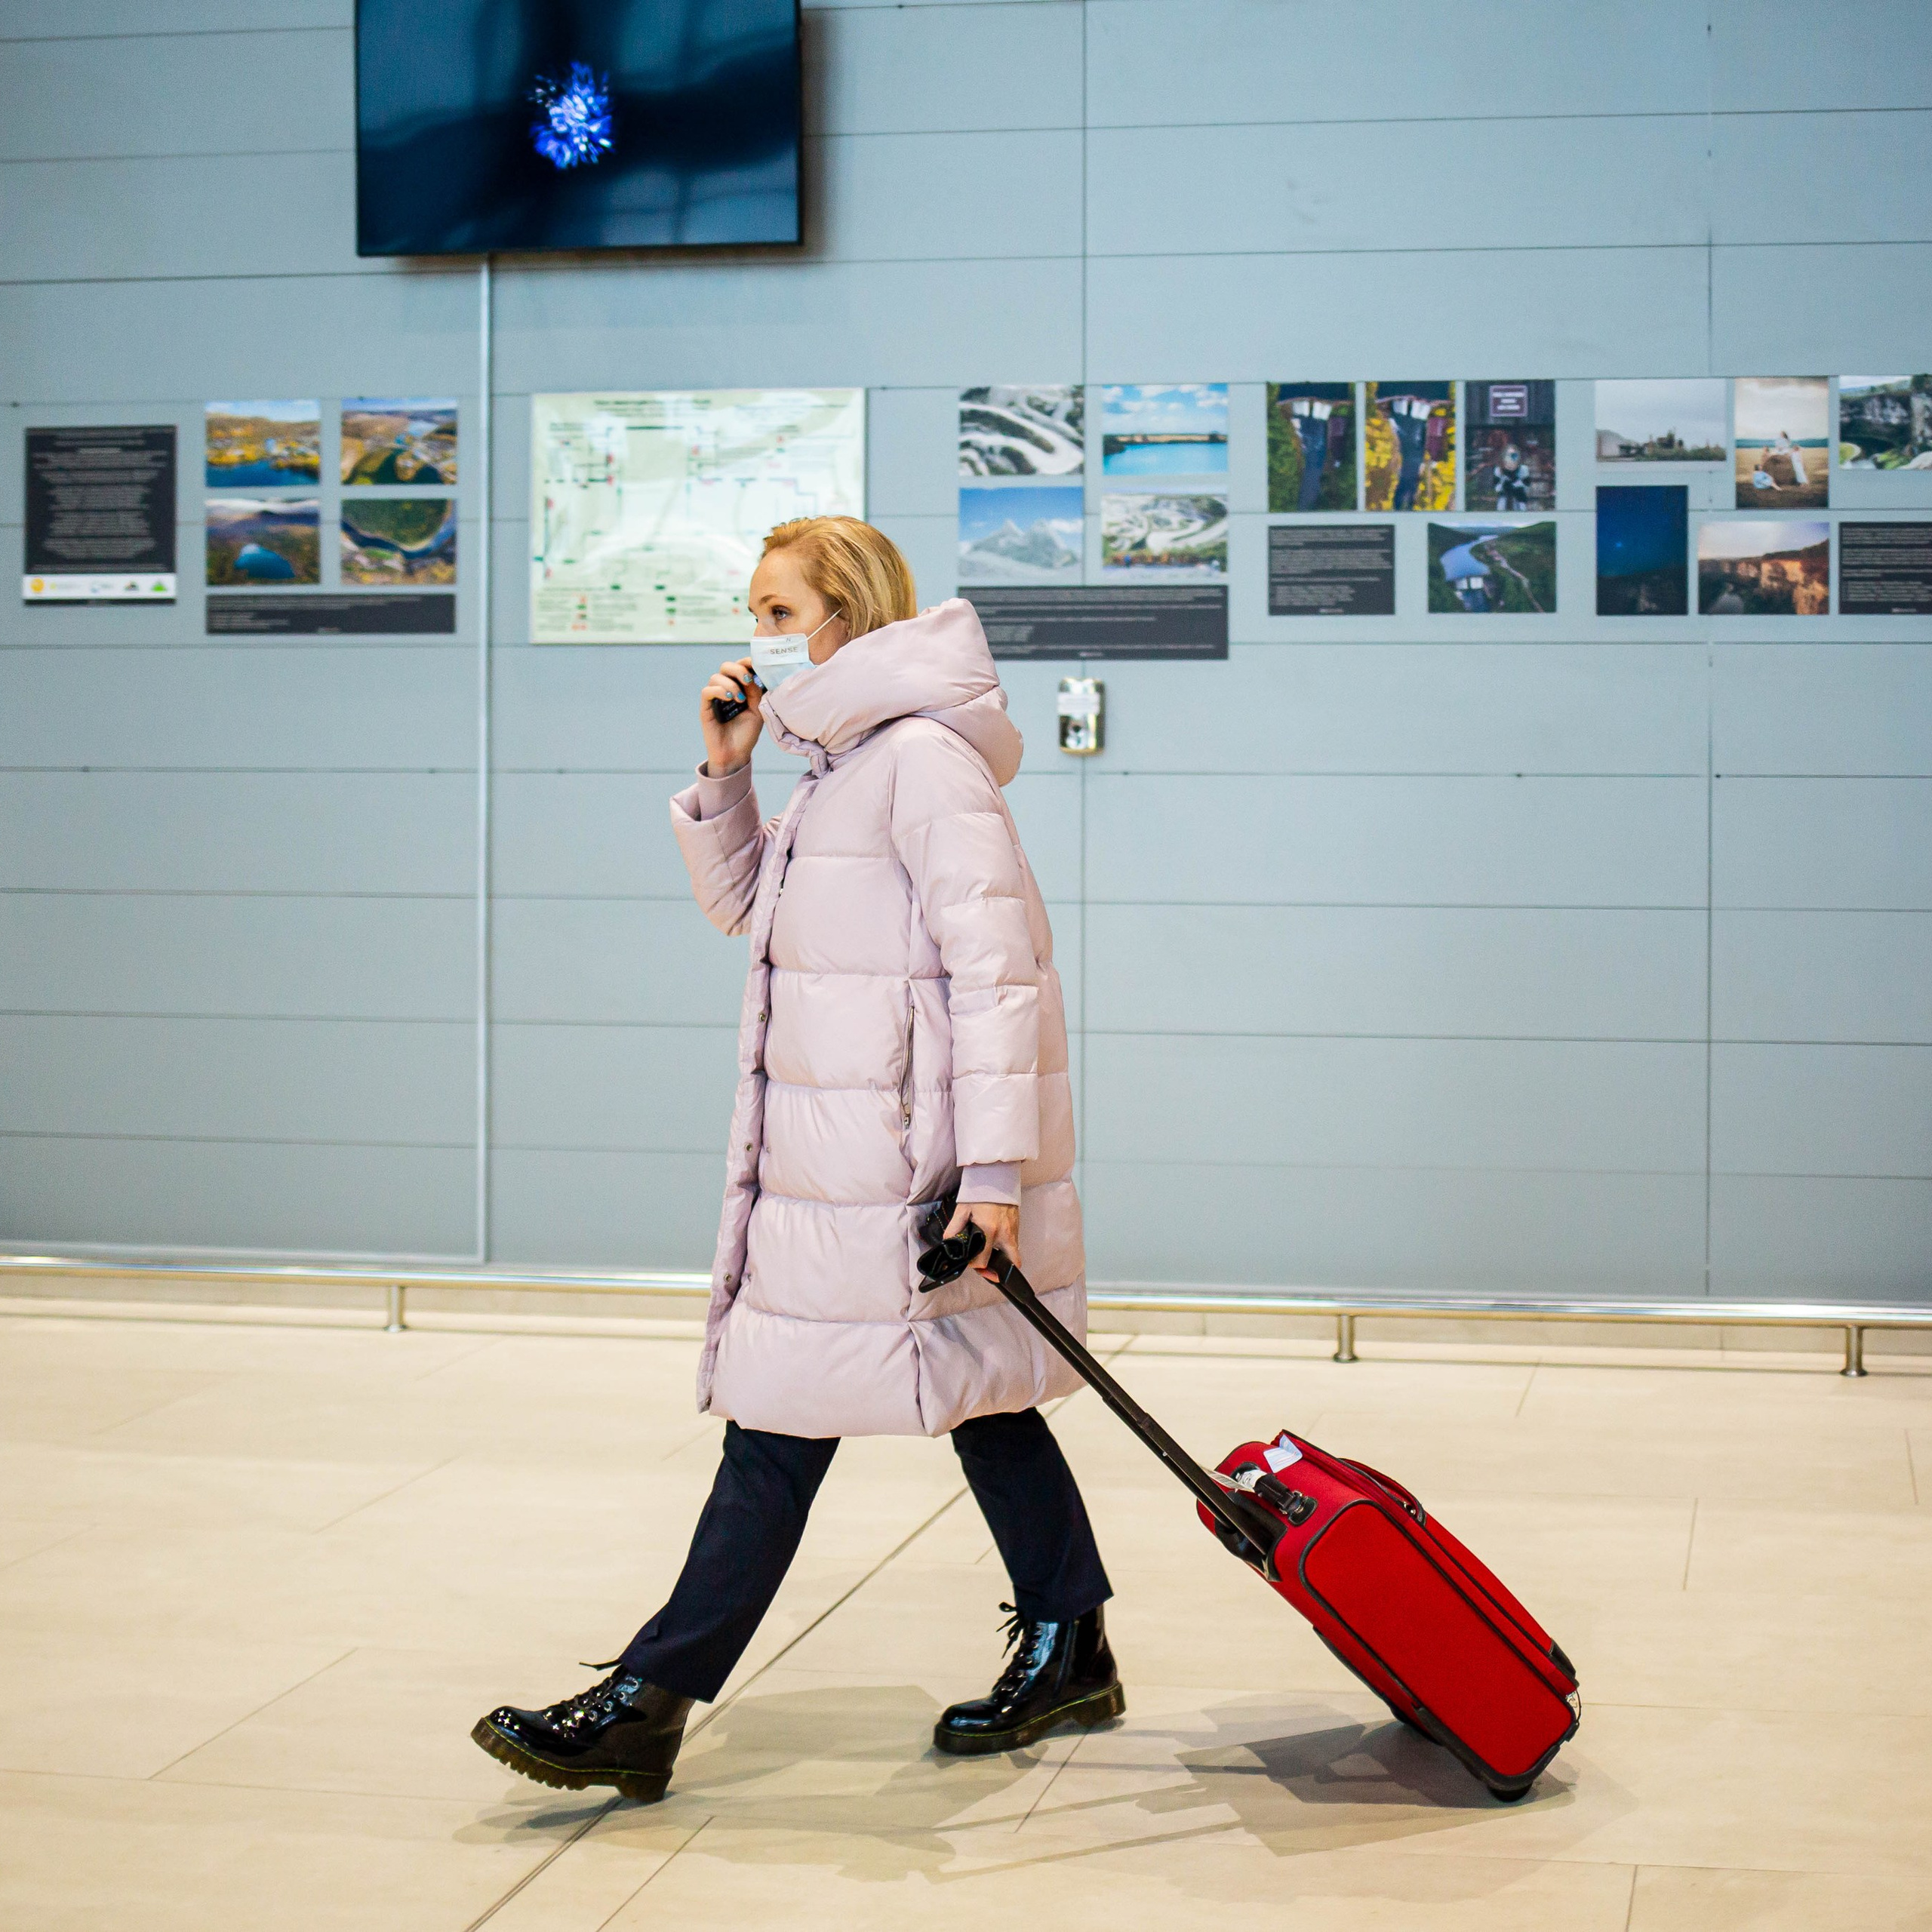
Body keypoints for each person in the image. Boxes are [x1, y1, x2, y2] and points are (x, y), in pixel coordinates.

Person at [472, 518, 1118, 1802]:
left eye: (778, 606)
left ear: (849, 614)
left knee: (801, 1418)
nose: (757, 630)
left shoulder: (921, 761)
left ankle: (648, 1704)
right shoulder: (837, 760)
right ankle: (1072, 1644)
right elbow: (750, 915)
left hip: (900, 1171)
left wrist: (992, 1179)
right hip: (837, 1166)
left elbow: (998, 979)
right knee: (954, 1399)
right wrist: (726, 778)